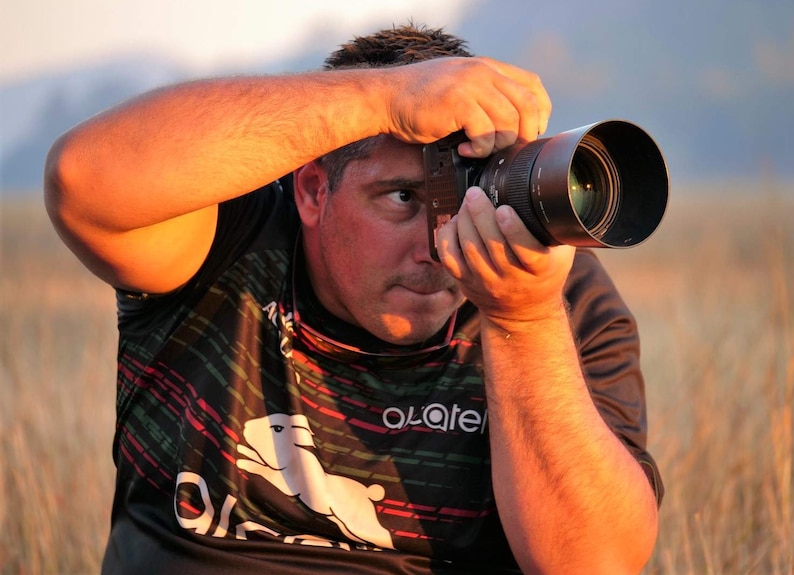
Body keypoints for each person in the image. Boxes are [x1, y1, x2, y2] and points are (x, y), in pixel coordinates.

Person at [45, 23, 663, 575]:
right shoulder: (226, 241)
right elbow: (81, 180)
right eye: (402, 198)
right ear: (313, 191)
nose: (440, 245)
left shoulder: (549, 292)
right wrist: (388, 99)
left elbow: (596, 563)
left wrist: (523, 323)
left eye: (463, 197)